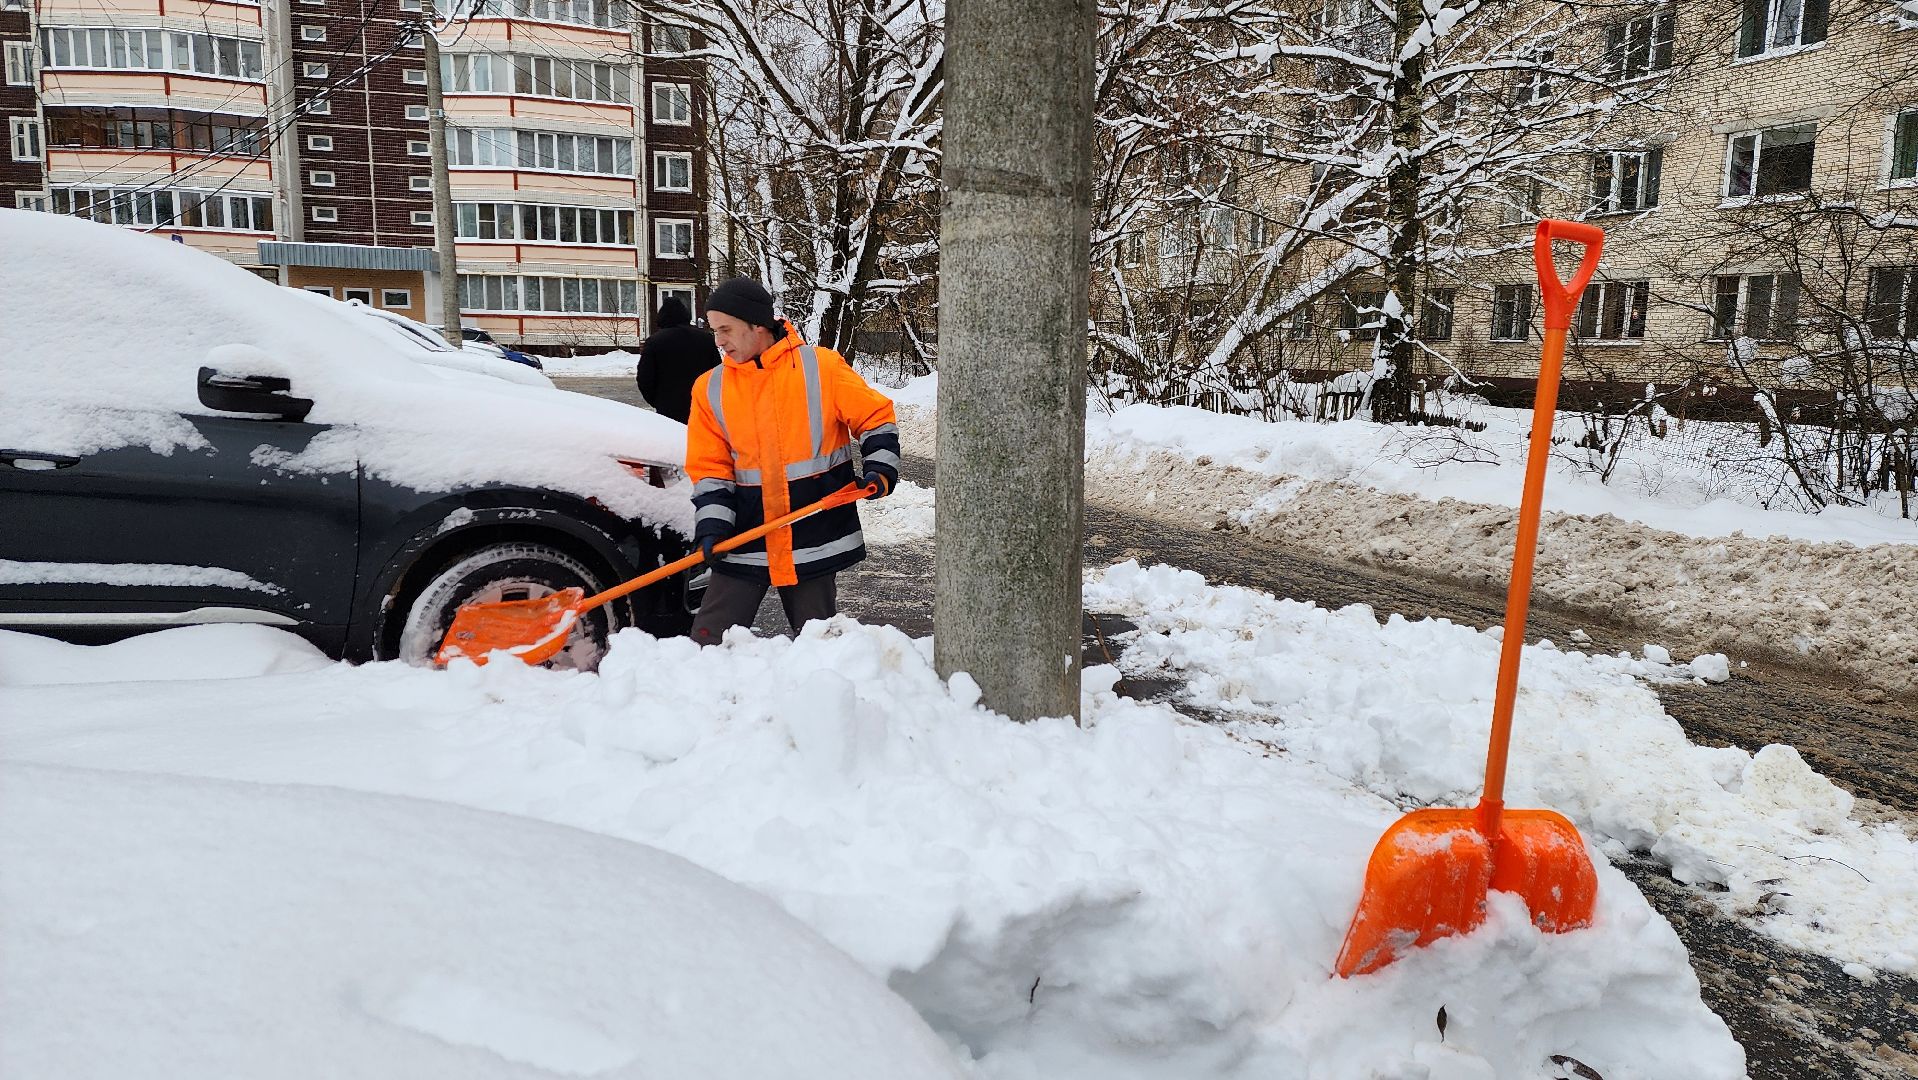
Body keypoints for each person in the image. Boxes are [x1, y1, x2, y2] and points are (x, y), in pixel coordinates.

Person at [684, 277, 900, 645]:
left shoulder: (823, 367)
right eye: (715, 331)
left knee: (818, 647)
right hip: (744, 535)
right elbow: (710, 466)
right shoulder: (710, 386)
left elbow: (875, 417)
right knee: (709, 642)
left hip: (812, 532)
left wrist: (880, 467)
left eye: (726, 330)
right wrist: (712, 525)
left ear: (757, 324)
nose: (719, 341)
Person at [634, 296, 721, 423]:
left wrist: (658, 401)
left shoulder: (654, 342)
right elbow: (717, 374)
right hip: (702, 408)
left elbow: (645, 379)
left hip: (668, 410)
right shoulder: (705, 339)